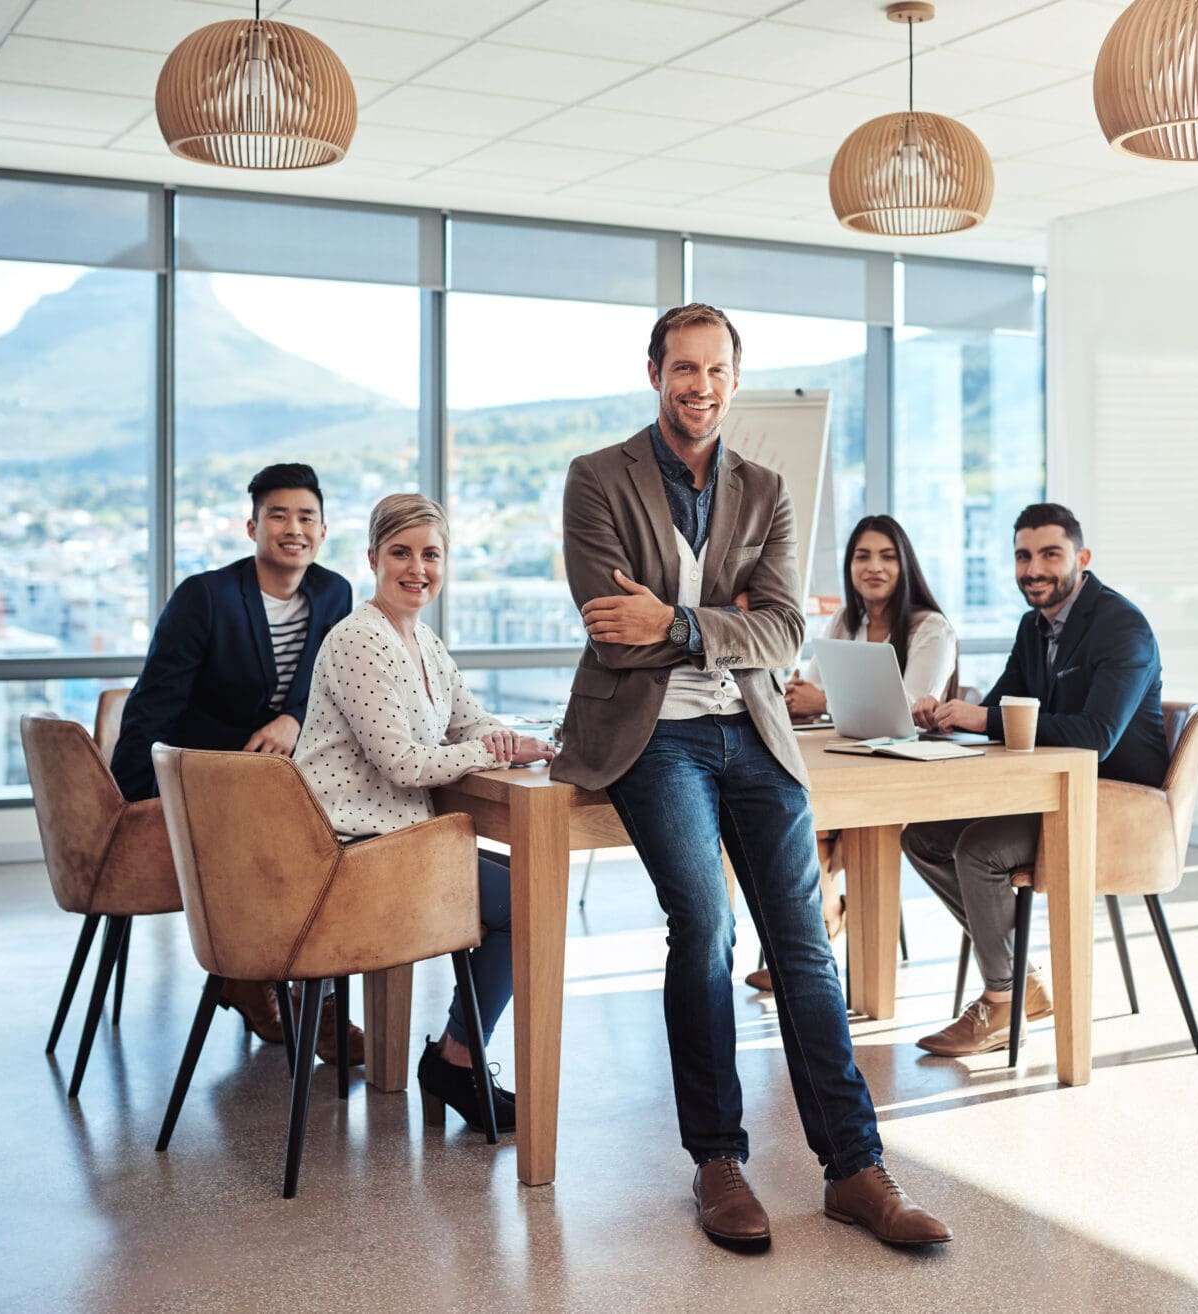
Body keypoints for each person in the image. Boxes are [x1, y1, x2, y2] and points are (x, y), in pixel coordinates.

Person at [553, 303, 951, 1250]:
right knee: (704, 923)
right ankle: (718, 1163)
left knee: (805, 943)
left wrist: (682, 624)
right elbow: (610, 626)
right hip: (656, 741)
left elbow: (781, 631)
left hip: (755, 734)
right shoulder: (595, 479)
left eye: (716, 370)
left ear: (736, 376)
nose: (700, 387)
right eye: (683, 369)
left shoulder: (766, 489)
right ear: (655, 372)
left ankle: (854, 1169)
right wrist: (714, 622)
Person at [294, 493, 552, 1133]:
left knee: (525, 892)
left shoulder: (422, 640)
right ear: (373, 558)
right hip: (348, 857)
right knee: (529, 901)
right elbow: (405, 765)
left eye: (430, 554)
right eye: (401, 553)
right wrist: (483, 749)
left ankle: (456, 1058)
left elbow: (470, 720)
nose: (418, 568)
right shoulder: (359, 639)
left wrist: (522, 742)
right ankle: (457, 1062)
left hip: (394, 845)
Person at [903, 502, 1169, 1057]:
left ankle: (1002, 1002)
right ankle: (1022, 979)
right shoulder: (1034, 627)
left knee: (979, 848)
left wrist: (985, 718)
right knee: (924, 836)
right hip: (1053, 796)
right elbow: (1002, 708)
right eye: (1023, 556)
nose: (1034, 569)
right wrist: (951, 712)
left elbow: (1096, 736)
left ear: (1082, 557)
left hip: (1113, 806)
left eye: (1050, 554)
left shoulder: (1122, 627)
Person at [111, 463, 355, 1051]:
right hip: (206, 781)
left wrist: (293, 719)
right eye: (278, 515)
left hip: (283, 780)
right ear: (251, 527)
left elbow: (330, 680)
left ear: (322, 532)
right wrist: (133, 804)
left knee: (346, 839)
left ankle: (301, 992)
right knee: (287, 844)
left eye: (306, 517)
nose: (292, 528)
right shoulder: (206, 597)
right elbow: (153, 705)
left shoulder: (334, 593)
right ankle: (255, 980)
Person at [741, 515, 956, 991]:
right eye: (863, 556)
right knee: (786, 810)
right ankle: (813, 940)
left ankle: (814, 937)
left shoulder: (930, 628)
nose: (873, 567)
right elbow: (815, 687)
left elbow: (913, 710)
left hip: (907, 773)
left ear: (905, 565)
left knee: (807, 819)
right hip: (847, 764)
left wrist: (823, 703)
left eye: (886, 556)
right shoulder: (846, 621)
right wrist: (795, 698)